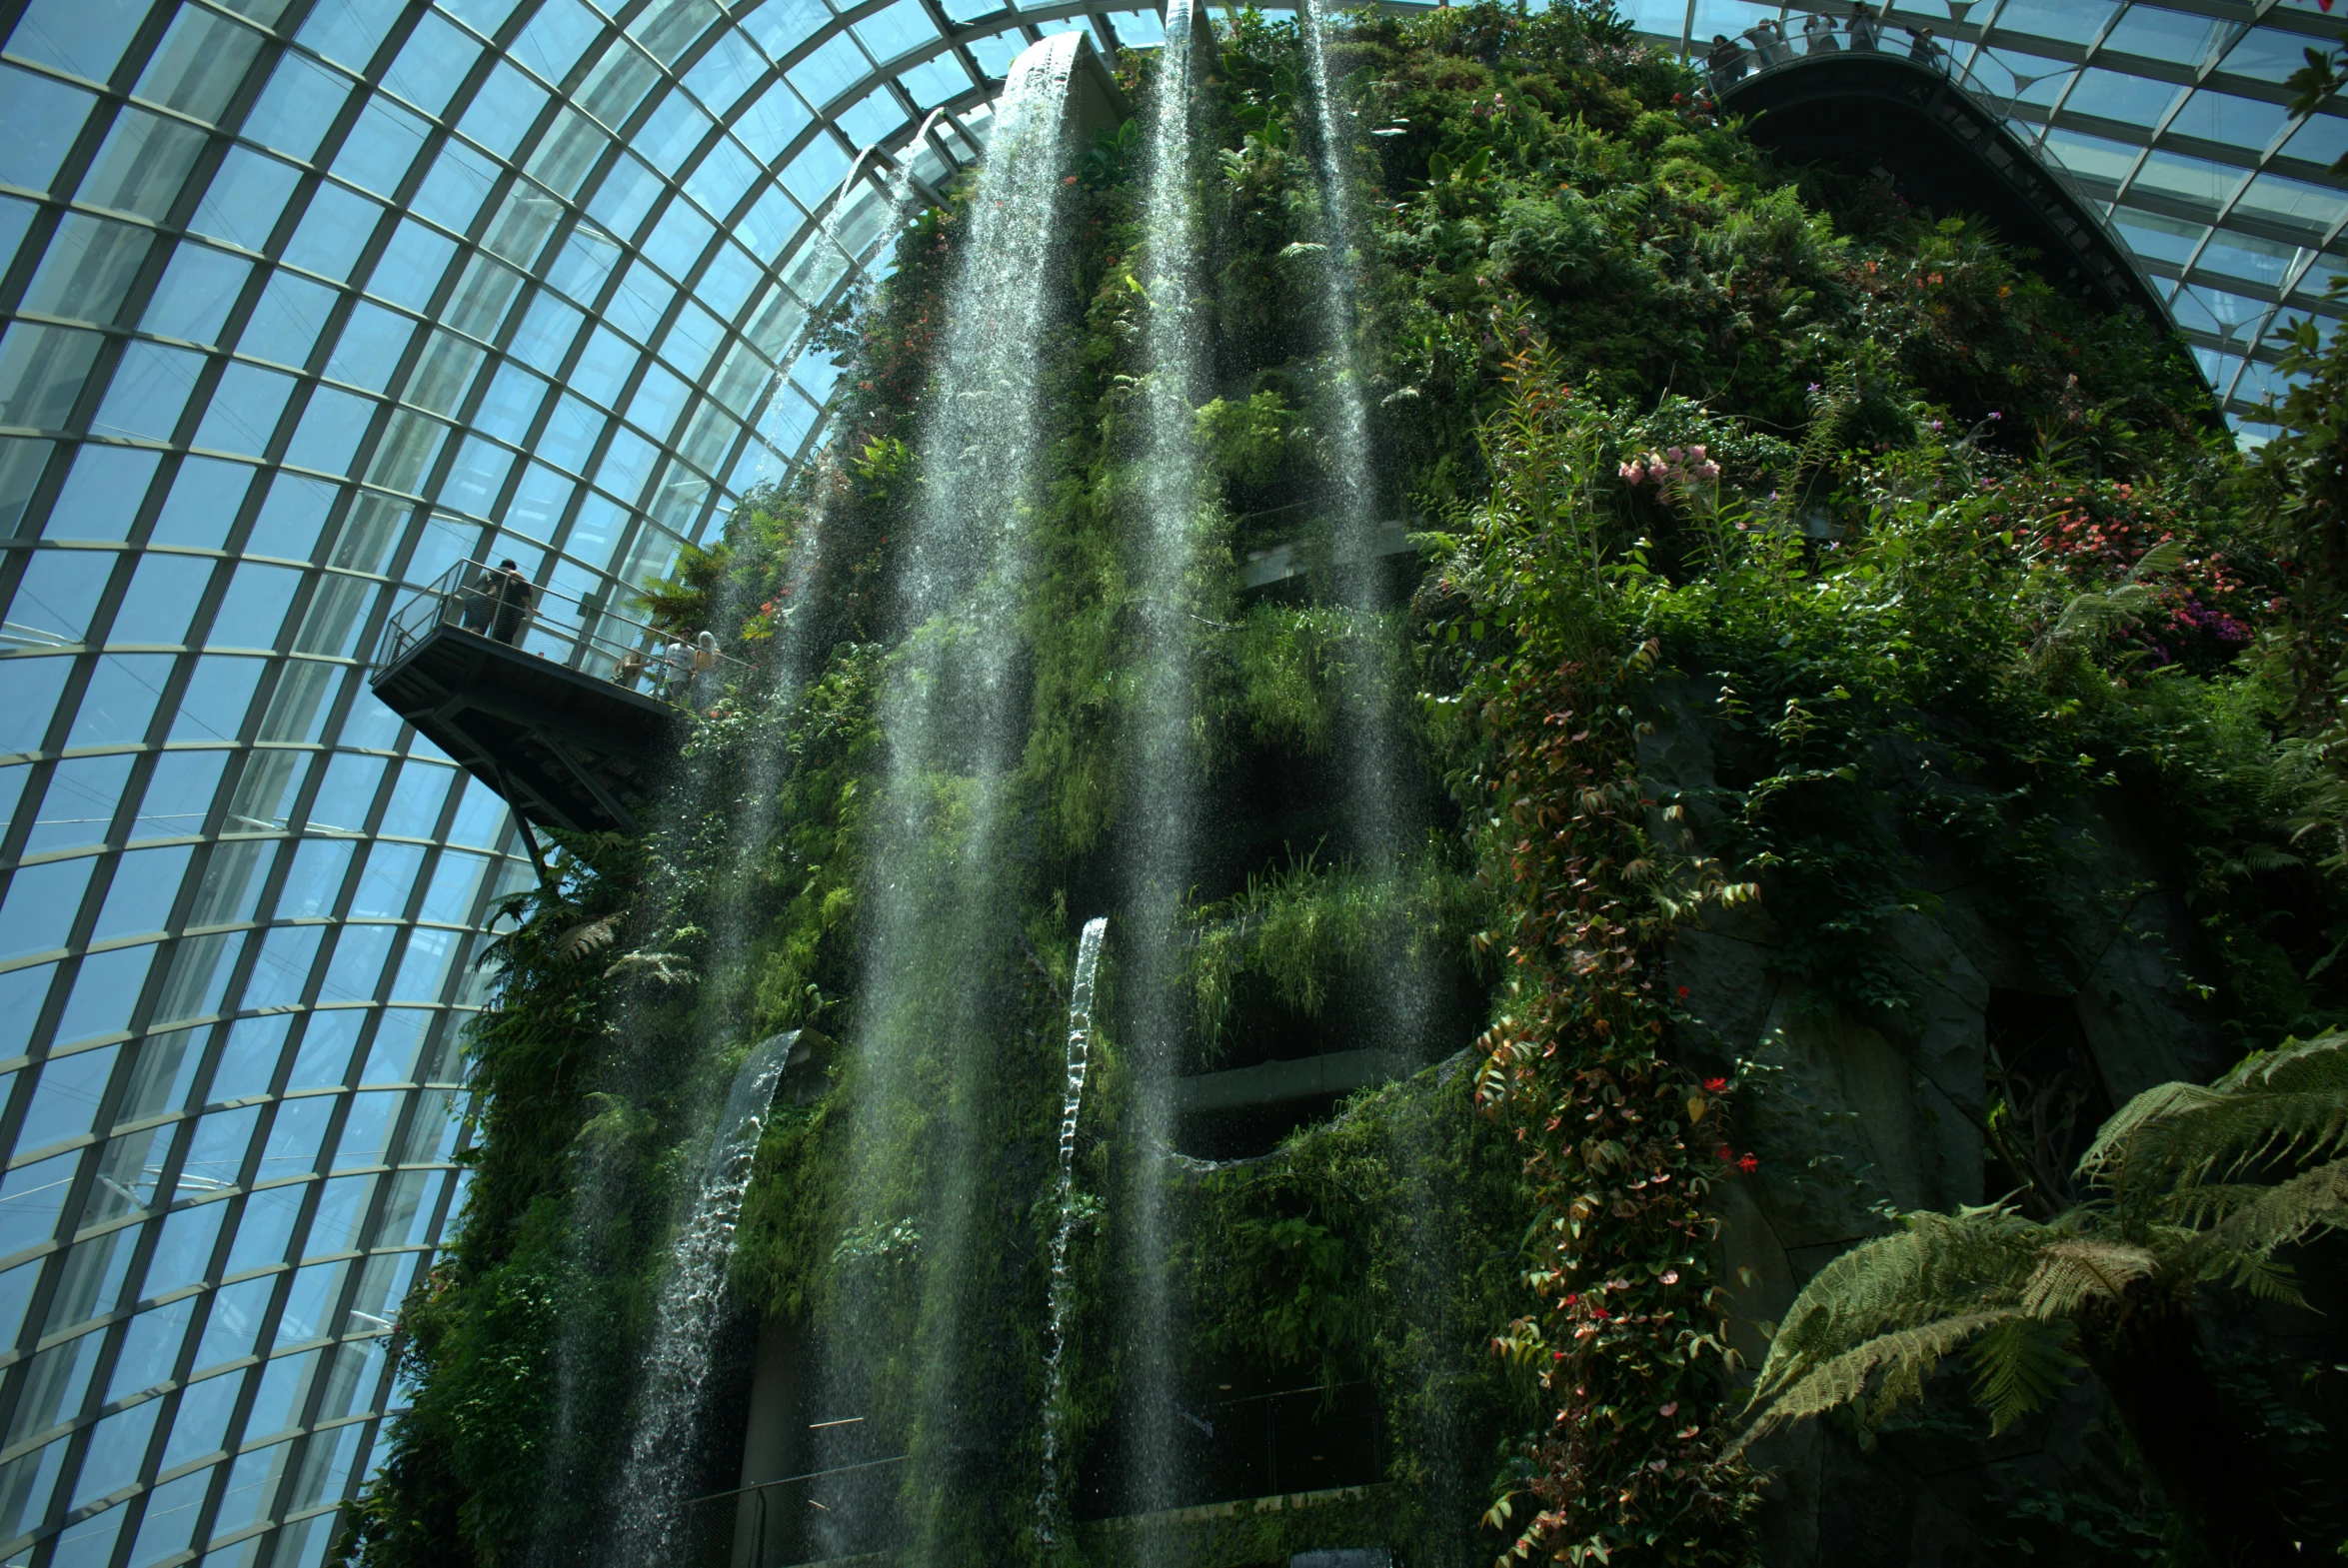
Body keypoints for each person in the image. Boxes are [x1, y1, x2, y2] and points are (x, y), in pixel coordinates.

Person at [490, 558, 533, 645]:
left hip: (508, 611)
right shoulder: (508, 581)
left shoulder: (511, 579)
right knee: (503, 634)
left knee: (501, 632)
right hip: (509, 612)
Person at [459, 563, 498, 634]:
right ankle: (468, 638)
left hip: (471, 598)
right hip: (482, 600)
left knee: (467, 624)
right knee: (479, 626)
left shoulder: (487, 573)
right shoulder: (502, 573)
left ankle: (461, 635)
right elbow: (492, 591)